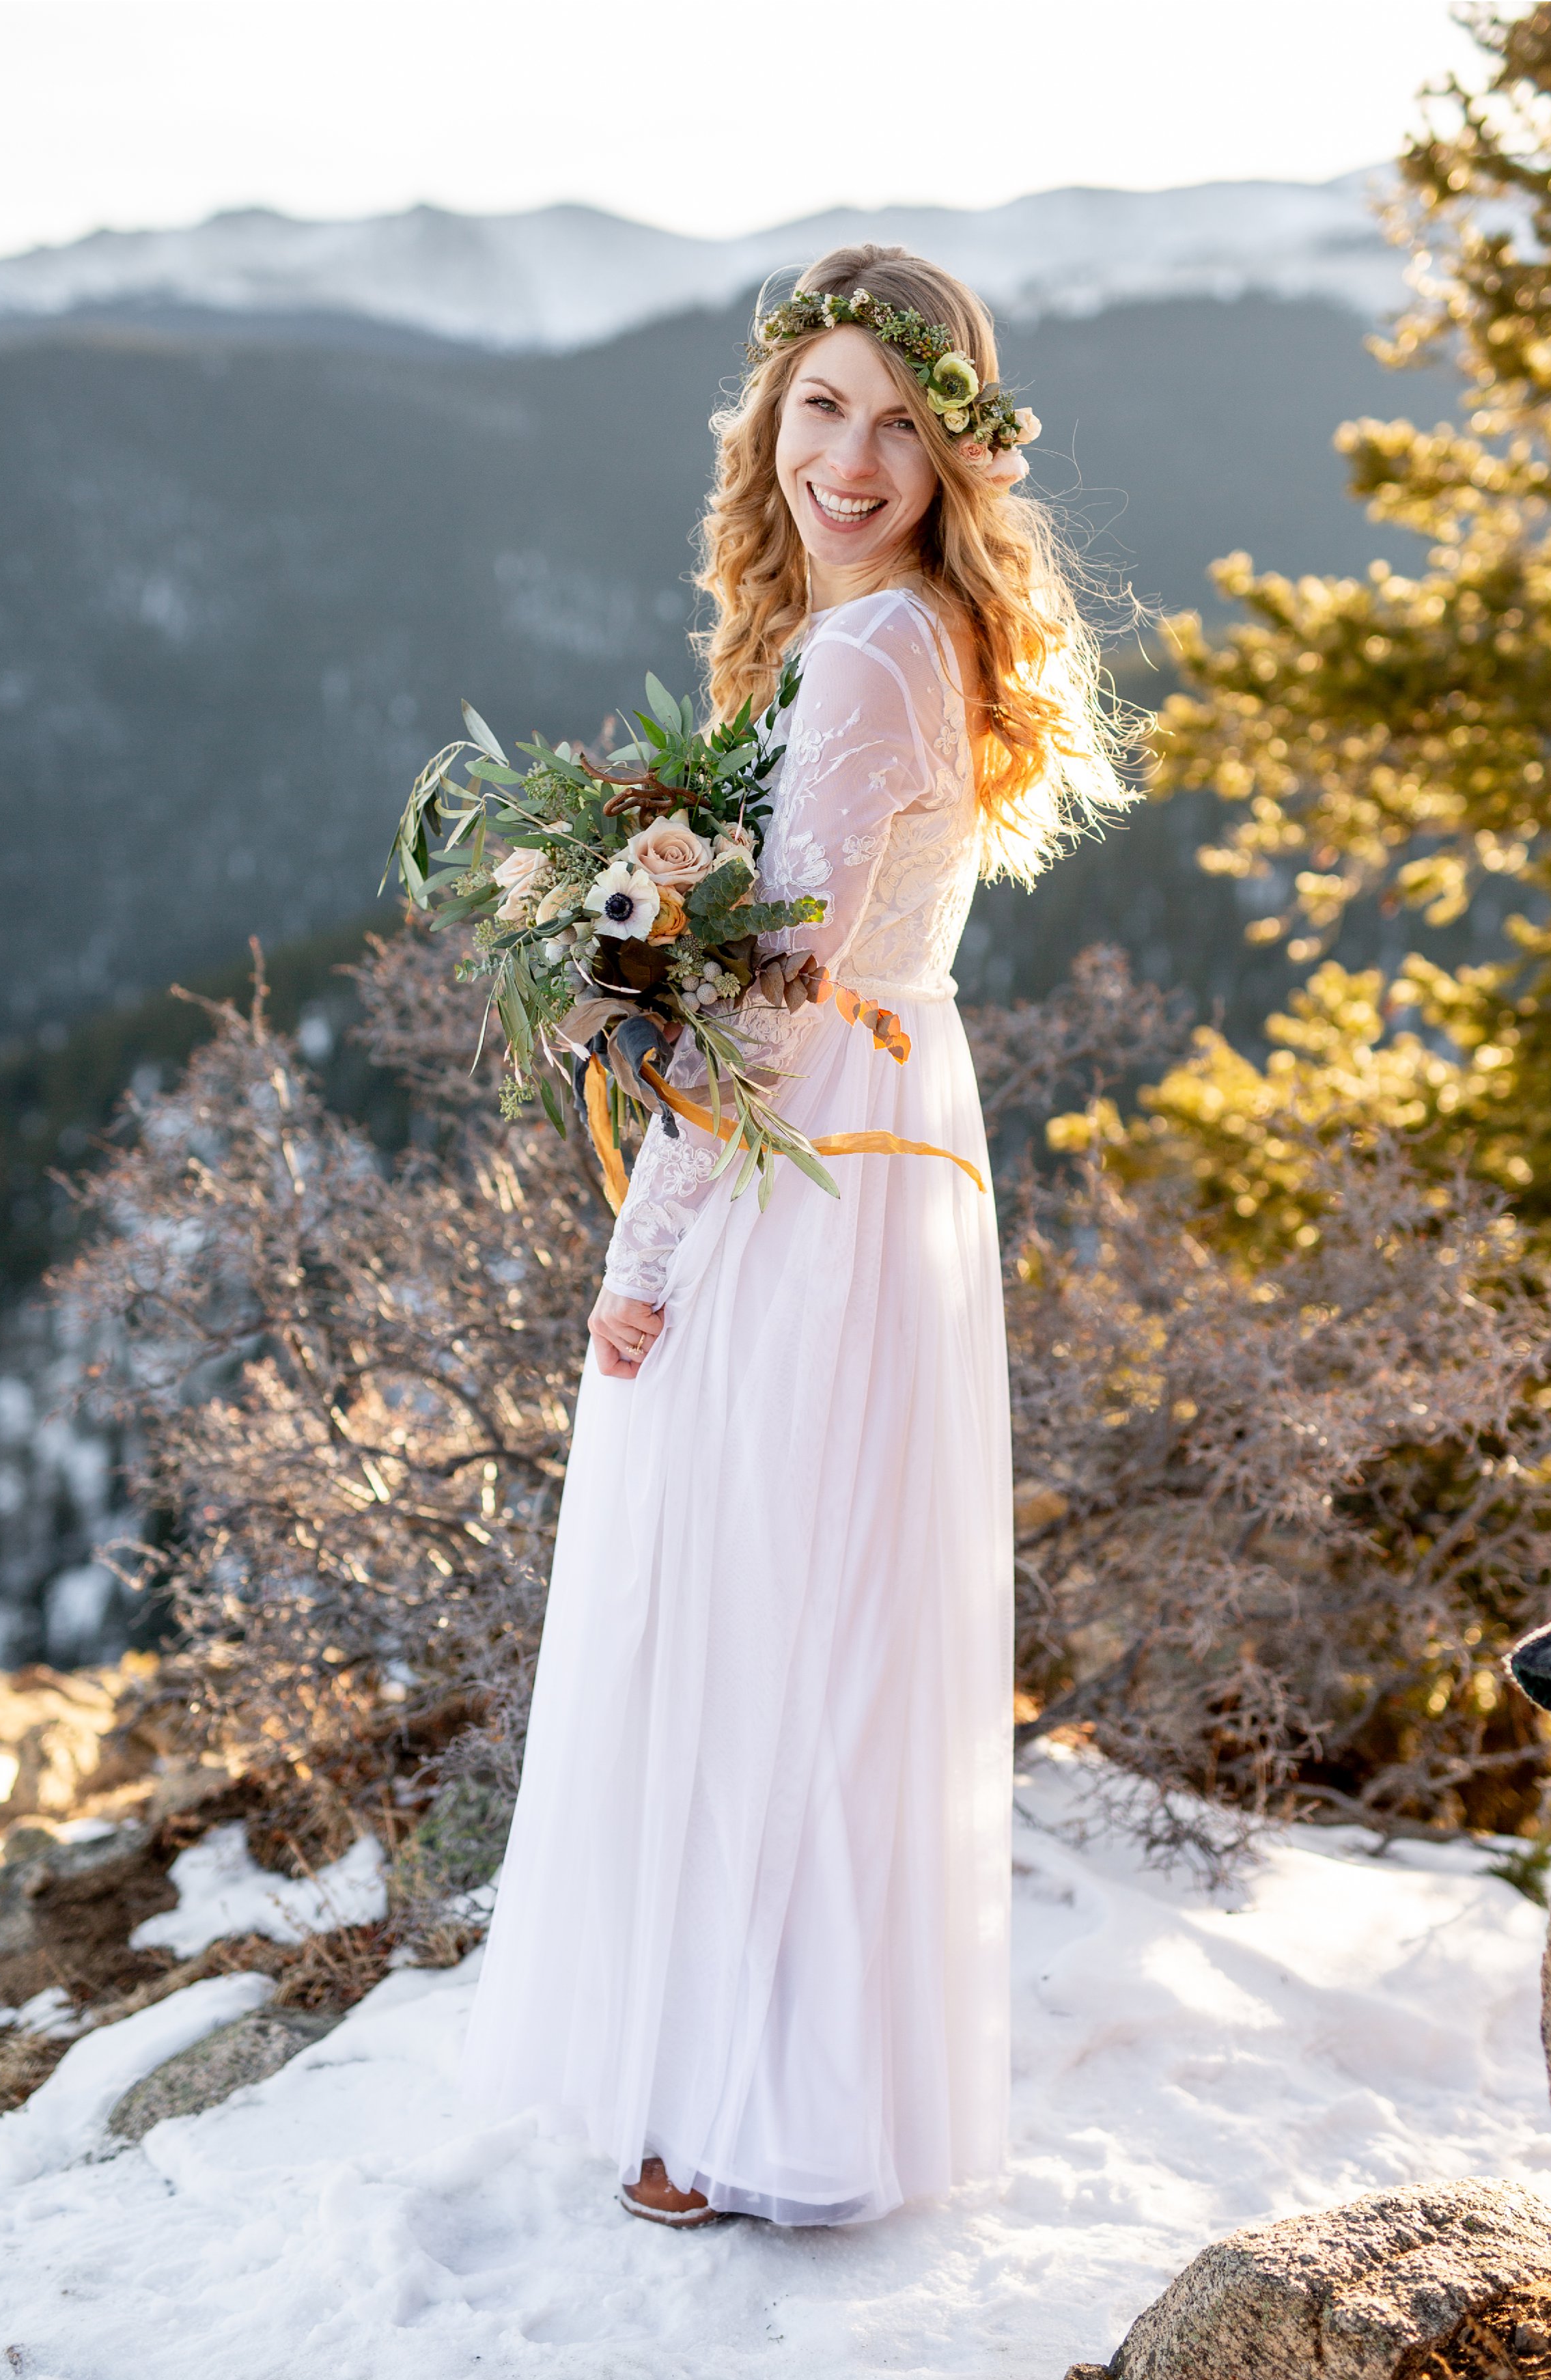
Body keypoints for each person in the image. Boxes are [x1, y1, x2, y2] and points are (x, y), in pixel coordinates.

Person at [462, 243, 1130, 2227]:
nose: (852, 456)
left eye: (900, 424)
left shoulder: (865, 657)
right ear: (770, 415)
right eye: (822, 407)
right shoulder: (886, 631)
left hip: (808, 1159)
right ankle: (763, 2060)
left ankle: (755, 2094)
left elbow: (768, 993)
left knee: (762, 1603)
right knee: (810, 1598)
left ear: (956, 453)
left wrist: (642, 1252)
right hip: (880, 1132)